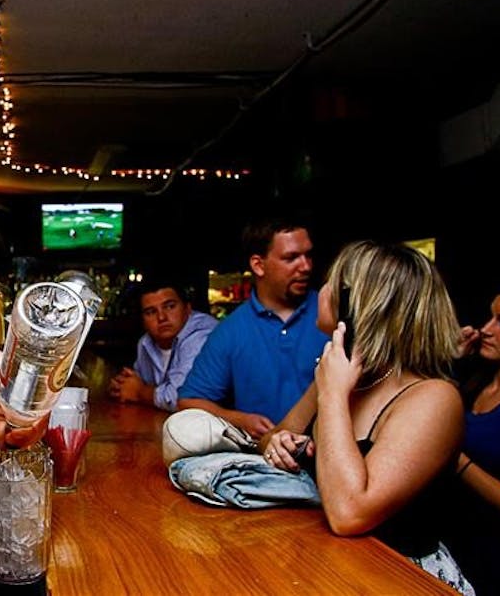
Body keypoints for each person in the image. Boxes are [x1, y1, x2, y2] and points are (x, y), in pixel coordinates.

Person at [260, 241, 473, 594]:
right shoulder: (338, 373)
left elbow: (350, 514)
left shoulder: (433, 398)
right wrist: (277, 445)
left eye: (331, 282)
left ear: (358, 302)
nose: (320, 291)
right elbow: (272, 436)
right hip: (328, 565)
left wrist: (333, 395)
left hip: (402, 579)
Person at [176, 215, 329, 439]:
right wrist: (240, 420)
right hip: (264, 455)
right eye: (291, 258)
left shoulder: (330, 313)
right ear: (258, 265)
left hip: (330, 451)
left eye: (308, 255)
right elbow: (189, 402)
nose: (306, 266)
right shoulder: (231, 331)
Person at [444, 285, 500, 595]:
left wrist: (453, 457)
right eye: (490, 318)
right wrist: (451, 360)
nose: (487, 329)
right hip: (452, 550)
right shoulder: (474, 380)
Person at [107, 276, 218, 411]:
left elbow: (183, 399)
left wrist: (140, 392)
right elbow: (136, 382)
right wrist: (121, 386)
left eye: (170, 307)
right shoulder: (146, 343)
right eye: (151, 312)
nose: (161, 317)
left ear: (187, 308)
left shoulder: (201, 335)